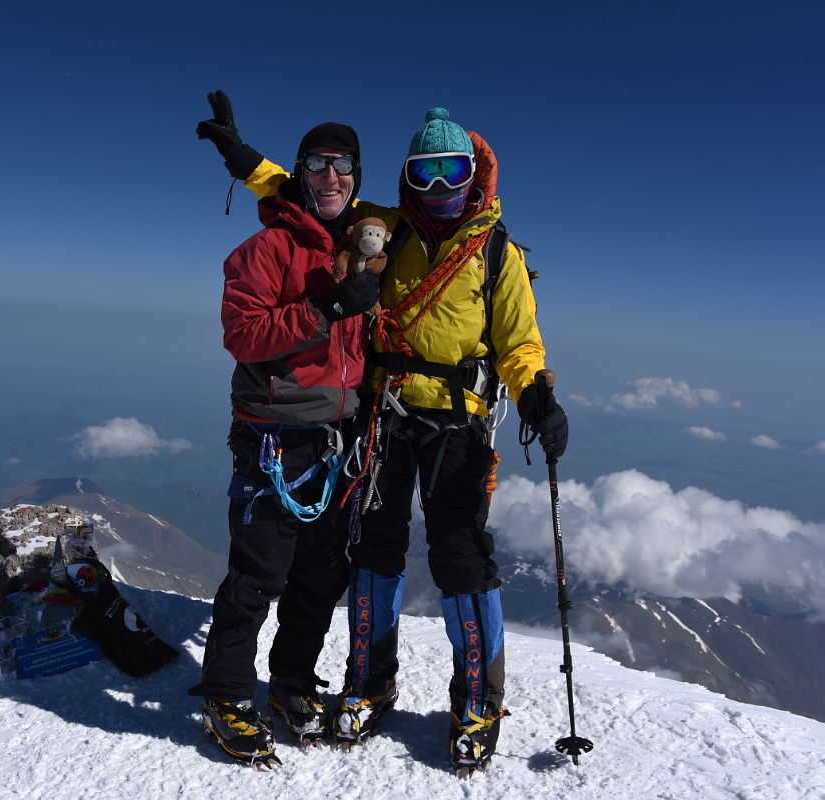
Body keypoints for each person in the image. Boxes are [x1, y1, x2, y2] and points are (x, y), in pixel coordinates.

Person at [197, 92, 569, 773]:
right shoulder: (382, 228)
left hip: (456, 421)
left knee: (459, 557)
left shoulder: (495, 252)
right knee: (372, 550)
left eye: (451, 174)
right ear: (404, 179)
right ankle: (369, 682)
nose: (438, 189)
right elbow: (301, 189)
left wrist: (538, 396)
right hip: (383, 416)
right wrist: (242, 158)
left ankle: (477, 701)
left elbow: (519, 342)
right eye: (424, 174)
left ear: (473, 176)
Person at [189, 113, 381, 766]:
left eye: (343, 165)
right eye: (317, 163)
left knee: (320, 574)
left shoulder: (360, 247)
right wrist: (328, 307)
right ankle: (226, 694)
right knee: (259, 575)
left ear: (356, 179)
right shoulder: (267, 250)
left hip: (338, 439)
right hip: (275, 438)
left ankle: (291, 680)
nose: (331, 175)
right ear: (300, 175)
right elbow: (243, 335)